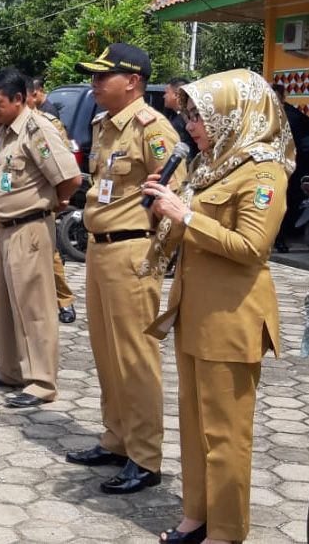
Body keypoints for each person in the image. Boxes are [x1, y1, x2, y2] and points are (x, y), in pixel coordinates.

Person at [143, 68, 294, 544]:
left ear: (234, 114)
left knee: (226, 435)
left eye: (199, 116)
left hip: (232, 319)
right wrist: (164, 209)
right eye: (187, 115)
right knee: (194, 425)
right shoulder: (213, 166)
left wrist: (184, 213)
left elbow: (253, 247)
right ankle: (197, 515)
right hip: (195, 312)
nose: (190, 126)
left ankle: (226, 532)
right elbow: (183, 230)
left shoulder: (264, 170)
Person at [65, 43, 182, 495]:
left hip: (132, 252)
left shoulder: (154, 131)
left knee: (135, 358)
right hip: (99, 249)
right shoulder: (106, 126)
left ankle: (145, 457)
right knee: (107, 353)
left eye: (102, 76)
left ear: (132, 80)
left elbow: (175, 194)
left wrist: (157, 256)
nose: (94, 84)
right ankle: (115, 439)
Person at [0, 69, 80, 409]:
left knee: (34, 308)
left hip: (29, 229)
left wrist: (53, 203)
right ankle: (10, 371)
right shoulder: (4, 131)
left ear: (19, 99)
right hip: (2, 229)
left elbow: (69, 179)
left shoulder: (37, 130)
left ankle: (41, 381)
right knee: (5, 305)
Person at [27, 77, 78, 324]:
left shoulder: (48, 124)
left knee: (51, 253)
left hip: (42, 201)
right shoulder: (2, 128)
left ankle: (64, 302)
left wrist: (60, 199)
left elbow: (63, 164)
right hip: (13, 207)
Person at [272, 82, 309, 253]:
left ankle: (280, 238)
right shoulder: (259, 116)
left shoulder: (294, 118)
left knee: (287, 205)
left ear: (283, 98)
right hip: (267, 171)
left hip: (291, 172)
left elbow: (304, 146)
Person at [163, 77, 196, 164]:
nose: (164, 96)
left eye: (166, 93)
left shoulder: (186, 117)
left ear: (176, 95)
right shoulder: (177, 115)